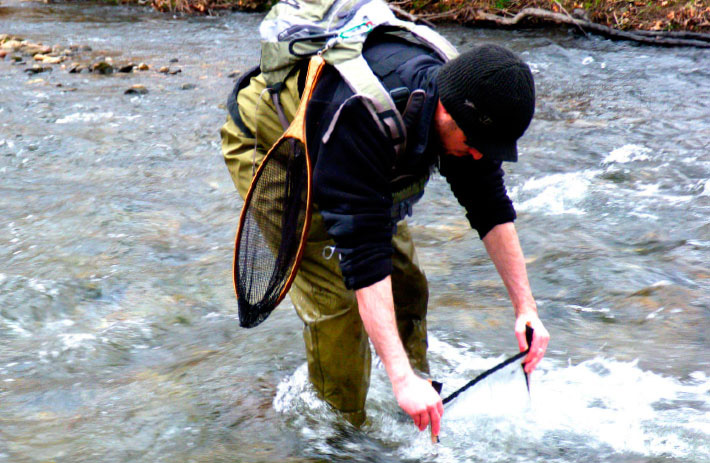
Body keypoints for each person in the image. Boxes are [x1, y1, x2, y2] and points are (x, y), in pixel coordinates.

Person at [220, 34, 550, 435]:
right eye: (476, 144)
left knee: (407, 283)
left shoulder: (469, 112)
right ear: (446, 110)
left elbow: (490, 205)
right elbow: (363, 258)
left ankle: (417, 408)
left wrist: (526, 309)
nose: (480, 154)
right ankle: (339, 437)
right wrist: (399, 377)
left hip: (350, 155)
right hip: (275, 145)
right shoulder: (364, 117)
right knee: (338, 305)